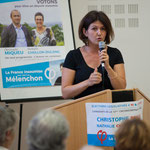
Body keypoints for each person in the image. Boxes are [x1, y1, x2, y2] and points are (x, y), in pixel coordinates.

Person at [62, 10, 126, 99]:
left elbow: (121, 87)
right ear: (85, 32)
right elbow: (65, 93)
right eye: (94, 28)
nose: (99, 33)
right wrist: (88, 82)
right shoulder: (73, 56)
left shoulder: (115, 54)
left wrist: (108, 68)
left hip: (110, 110)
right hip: (81, 110)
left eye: (103, 29)